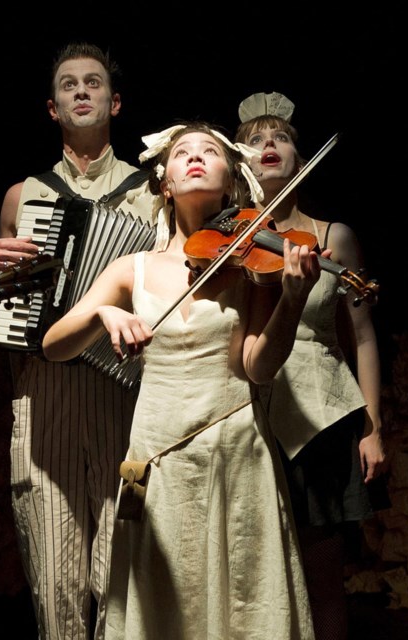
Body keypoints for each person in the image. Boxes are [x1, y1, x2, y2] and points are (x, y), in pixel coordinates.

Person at [41, 122, 319, 639]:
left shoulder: (251, 263)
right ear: (165, 182)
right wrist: (104, 316)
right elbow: (54, 345)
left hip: (234, 447)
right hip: (157, 452)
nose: (194, 157)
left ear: (231, 182)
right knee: (161, 602)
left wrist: (292, 298)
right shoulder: (133, 268)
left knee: (241, 601)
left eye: (209, 152)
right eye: (182, 153)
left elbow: (258, 366)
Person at [0, 42, 162, 639]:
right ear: (52, 107)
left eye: (94, 83)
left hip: (125, 391)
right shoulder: (22, 195)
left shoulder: (151, 194)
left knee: (119, 571)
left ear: (115, 101)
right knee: (54, 574)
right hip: (46, 387)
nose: (81, 91)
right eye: (68, 84)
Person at [235, 92, 389, 640]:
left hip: (321, 416)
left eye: (279, 137)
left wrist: (372, 427)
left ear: (299, 157)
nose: (268, 145)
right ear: (239, 160)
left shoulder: (332, 237)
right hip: (245, 415)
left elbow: (363, 338)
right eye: (253, 140)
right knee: (253, 575)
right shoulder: (230, 239)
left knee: (323, 576)